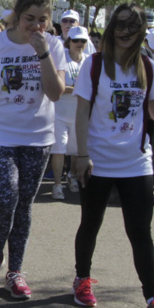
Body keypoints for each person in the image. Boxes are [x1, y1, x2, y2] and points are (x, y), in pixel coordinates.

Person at [71, 3, 154, 308]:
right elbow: (81, 113)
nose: (125, 31)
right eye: (120, 25)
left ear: (140, 33)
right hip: (97, 160)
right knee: (90, 224)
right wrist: (81, 155)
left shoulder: (147, 67)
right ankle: (82, 279)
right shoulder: (94, 66)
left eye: (132, 27)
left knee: (140, 231)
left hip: (136, 163)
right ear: (112, 28)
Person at [0, 0, 68, 300]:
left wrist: (43, 53)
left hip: (38, 137)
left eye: (42, 19)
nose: (36, 26)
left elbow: (55, 93)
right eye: (29, 19)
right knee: (6, 196)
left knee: (23, 204)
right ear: (16, 17)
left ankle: (15, 272)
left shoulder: (54, 45)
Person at [50, 25, 89, 198]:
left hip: (79, 114)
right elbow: (56, 85)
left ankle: (72, 177)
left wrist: (75, 89)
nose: (79, 44)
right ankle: (57, 184)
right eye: (75, 40)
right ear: (68, 41)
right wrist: (74, 89)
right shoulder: (61, 59)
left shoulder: (89, 61)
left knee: (74, 150)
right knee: (59, 149)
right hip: (59, 112)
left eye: (82, 41)